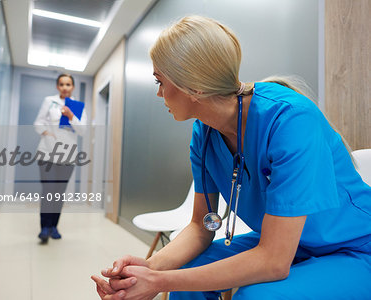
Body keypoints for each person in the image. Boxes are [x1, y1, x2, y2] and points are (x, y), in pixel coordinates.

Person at [91, 15, 371, 299]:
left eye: (160, 81)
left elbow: (274, 262)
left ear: (194, 86)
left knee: (256, 297)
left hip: (352, 247)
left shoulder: (291, 120)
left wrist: (159, 282)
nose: (159, 93)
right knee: (188, 272)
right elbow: (201, 227)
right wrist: (147, 270)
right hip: (289, 244)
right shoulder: (205, 132)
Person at [34, 73, 87, 243]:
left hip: (67, 156)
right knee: (48, 191)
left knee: (59, 193)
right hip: (47, 153)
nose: (65, 87)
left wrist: (71, 116)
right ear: (58, 86)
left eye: (68, 84)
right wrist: (46, 132)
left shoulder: (78, 106)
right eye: (62, 84)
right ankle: (44, 227)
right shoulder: (49, 101)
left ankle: (54, 226)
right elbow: (38, 122)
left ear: (73, 87)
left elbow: (83, 131)